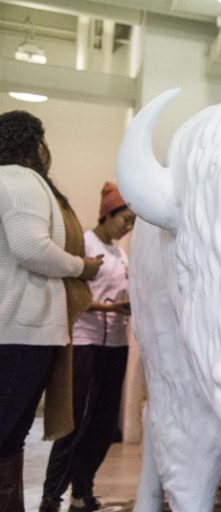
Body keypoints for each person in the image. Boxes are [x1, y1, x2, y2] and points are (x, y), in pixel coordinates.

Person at [0, 111, 102, 512]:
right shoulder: (20, 180)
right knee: (7, 431)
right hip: (20, 329)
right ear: (34, 143)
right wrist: (82, 268)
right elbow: (31, 248)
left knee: (10, 435)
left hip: (16, 328)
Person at [39, 182, 135, 512]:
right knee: (74, 421)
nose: (128, 226)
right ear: (108, 214)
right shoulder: (85, 243)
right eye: (125, 218)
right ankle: (51, 496)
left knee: (104, 423)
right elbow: (74, 294)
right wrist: (109, 309)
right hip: (85, 342)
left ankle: (82, 490)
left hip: (117, 342)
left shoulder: (121, 255)